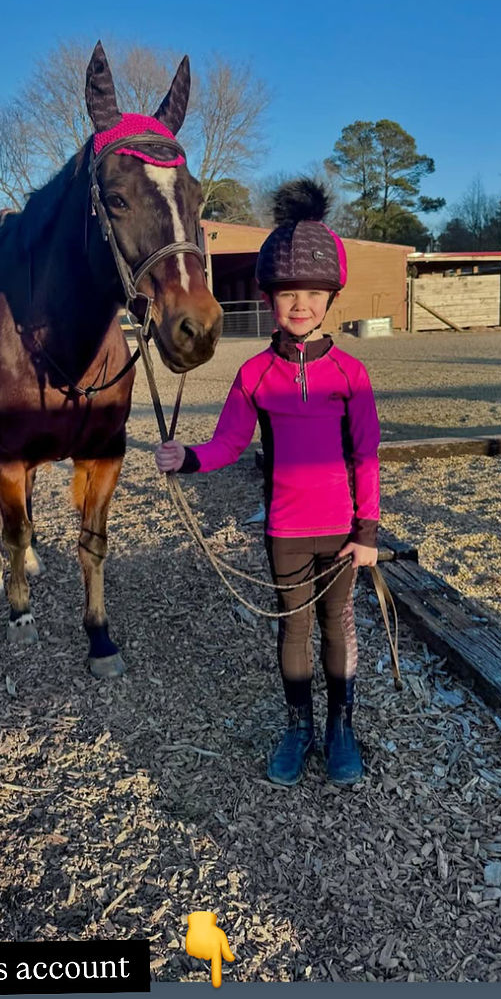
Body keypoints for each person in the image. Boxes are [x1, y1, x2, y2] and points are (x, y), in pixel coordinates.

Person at [154, 179, 380, 788]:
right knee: (293, 626)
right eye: (286, 295)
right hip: (285, 529)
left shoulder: (350, 373)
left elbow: (366, 455)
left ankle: (341, 728)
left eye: (311, 293)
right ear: (268, 299)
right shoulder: (255, 372)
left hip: (339, 532)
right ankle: (297, 727)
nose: (299, 305)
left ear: (330, 298)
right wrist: (189, 459)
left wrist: (368, 530)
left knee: (339, 626)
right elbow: (229, 441)